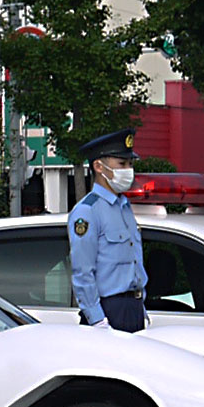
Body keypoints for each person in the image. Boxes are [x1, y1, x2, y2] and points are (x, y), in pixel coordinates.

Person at [67, 128, 148, 332]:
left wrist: (142, 309)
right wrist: (97, 319)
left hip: (133, 307)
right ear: (98, 166)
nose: (128, 170)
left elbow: (134, 262)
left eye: (130, 164)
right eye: (121, 164)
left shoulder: (125, 207)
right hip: (108, 310)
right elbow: (83, 272)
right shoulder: (88, 211)